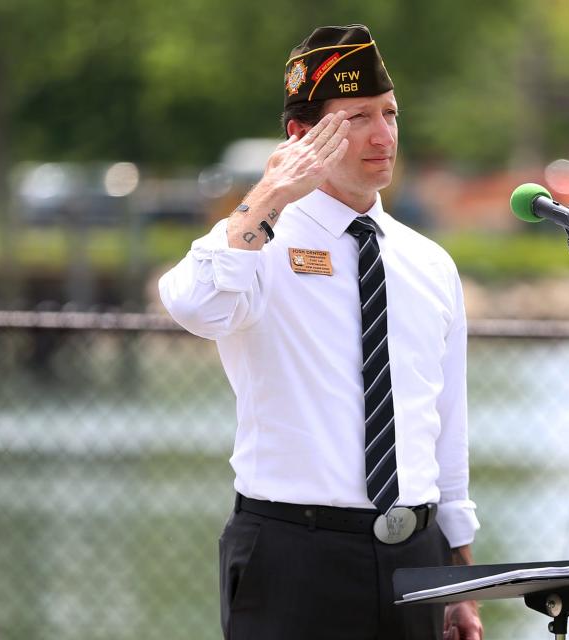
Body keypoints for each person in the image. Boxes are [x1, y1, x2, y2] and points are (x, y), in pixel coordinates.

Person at [158, 24, 483, 640]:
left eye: (389, 113)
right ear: (300, 135)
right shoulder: (255, 244)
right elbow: (192, 305)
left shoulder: (429, 262)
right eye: (357, 117)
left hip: (414, 556)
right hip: (293, 554)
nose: (383, 134)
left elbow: (444, 424)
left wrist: (460, 573)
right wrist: (270, 195)